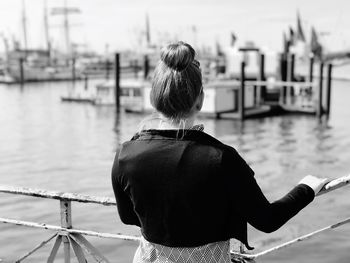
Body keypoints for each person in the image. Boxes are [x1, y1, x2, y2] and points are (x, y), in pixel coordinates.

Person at [111, 41, 329, 263]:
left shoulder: (125, 156)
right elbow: (267, 220)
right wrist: (307, 188)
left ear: (153, 98)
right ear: (200, 100)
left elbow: (128, 217)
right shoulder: (221, 159)